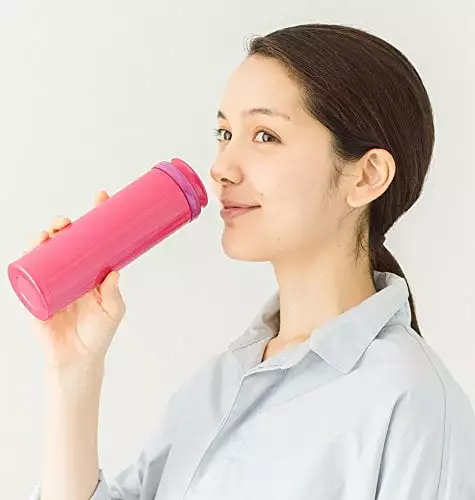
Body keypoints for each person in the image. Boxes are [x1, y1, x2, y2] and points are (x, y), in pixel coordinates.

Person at [29, 23, 475, 500]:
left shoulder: (411, 402)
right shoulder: (216, 387)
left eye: (265, 135)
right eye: (224, 133)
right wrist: (73, 370)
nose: (221, 167)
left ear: (366, 176)